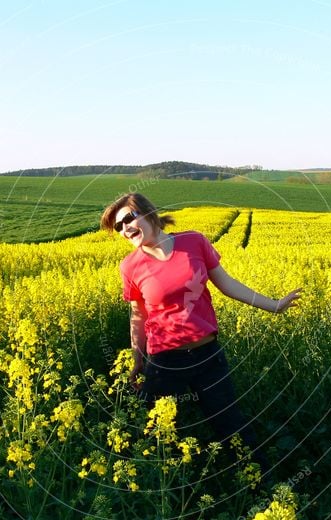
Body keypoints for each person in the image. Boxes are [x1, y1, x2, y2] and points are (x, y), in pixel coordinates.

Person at [100, 193, 302, 461]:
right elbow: (138, 315)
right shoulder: (130, 266)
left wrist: (273, 305)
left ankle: (259, 484)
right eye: (118, 226)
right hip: (164, 361)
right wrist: (138, 360)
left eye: (128, 218)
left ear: (149, 213)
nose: (124, 228)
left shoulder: (193, 242)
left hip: (207, 354)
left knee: (231, 426)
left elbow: (227, 284)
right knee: (154, 431)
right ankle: (164, 489)